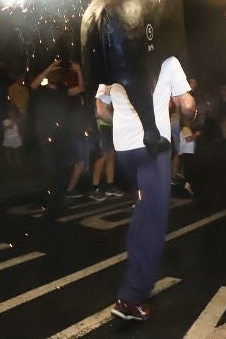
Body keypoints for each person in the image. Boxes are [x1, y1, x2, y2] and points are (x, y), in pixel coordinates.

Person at [96, 56, 195, 323]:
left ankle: (135, 271)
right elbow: (186, 104)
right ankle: (131, 298)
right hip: (153, 148)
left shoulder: (109, 62)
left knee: (143, 208)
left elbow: (101, 111)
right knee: (154, 220)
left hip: (125, 150)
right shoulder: (167, 60)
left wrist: (126, 118)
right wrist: (188, 114)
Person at [31, 59, 88, 202]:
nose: (55, 76)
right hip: (44, 133)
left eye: (58, 74)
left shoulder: (63, 90)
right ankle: (48, 193)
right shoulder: (42, 90)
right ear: (49, 75)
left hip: (61, 133)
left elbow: (80, 89)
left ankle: (59, 193)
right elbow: (33, 85)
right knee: (47, 164)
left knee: (61, 164)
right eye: (53, 74)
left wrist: (79, 71)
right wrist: (49, 68)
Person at [89, 117, 124, 201]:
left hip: (110, 126)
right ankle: (95, 188)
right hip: (100, 126)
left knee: (111, 156)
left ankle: (110, 185)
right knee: (102, 156)